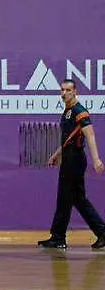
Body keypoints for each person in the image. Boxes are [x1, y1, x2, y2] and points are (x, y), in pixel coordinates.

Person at [38, 79, 105, 250]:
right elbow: (68, 139)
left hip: (74, 161)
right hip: (68, 159)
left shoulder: (79, 111)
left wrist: (96, 159)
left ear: (75, 91)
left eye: (68, 90)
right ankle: (98, 232)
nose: (64, 93)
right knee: (75, 199)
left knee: (67, 199)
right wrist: (56, 155)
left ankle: (59, 237)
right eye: (62, 90)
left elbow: (89, 135)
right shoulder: (67, 111)